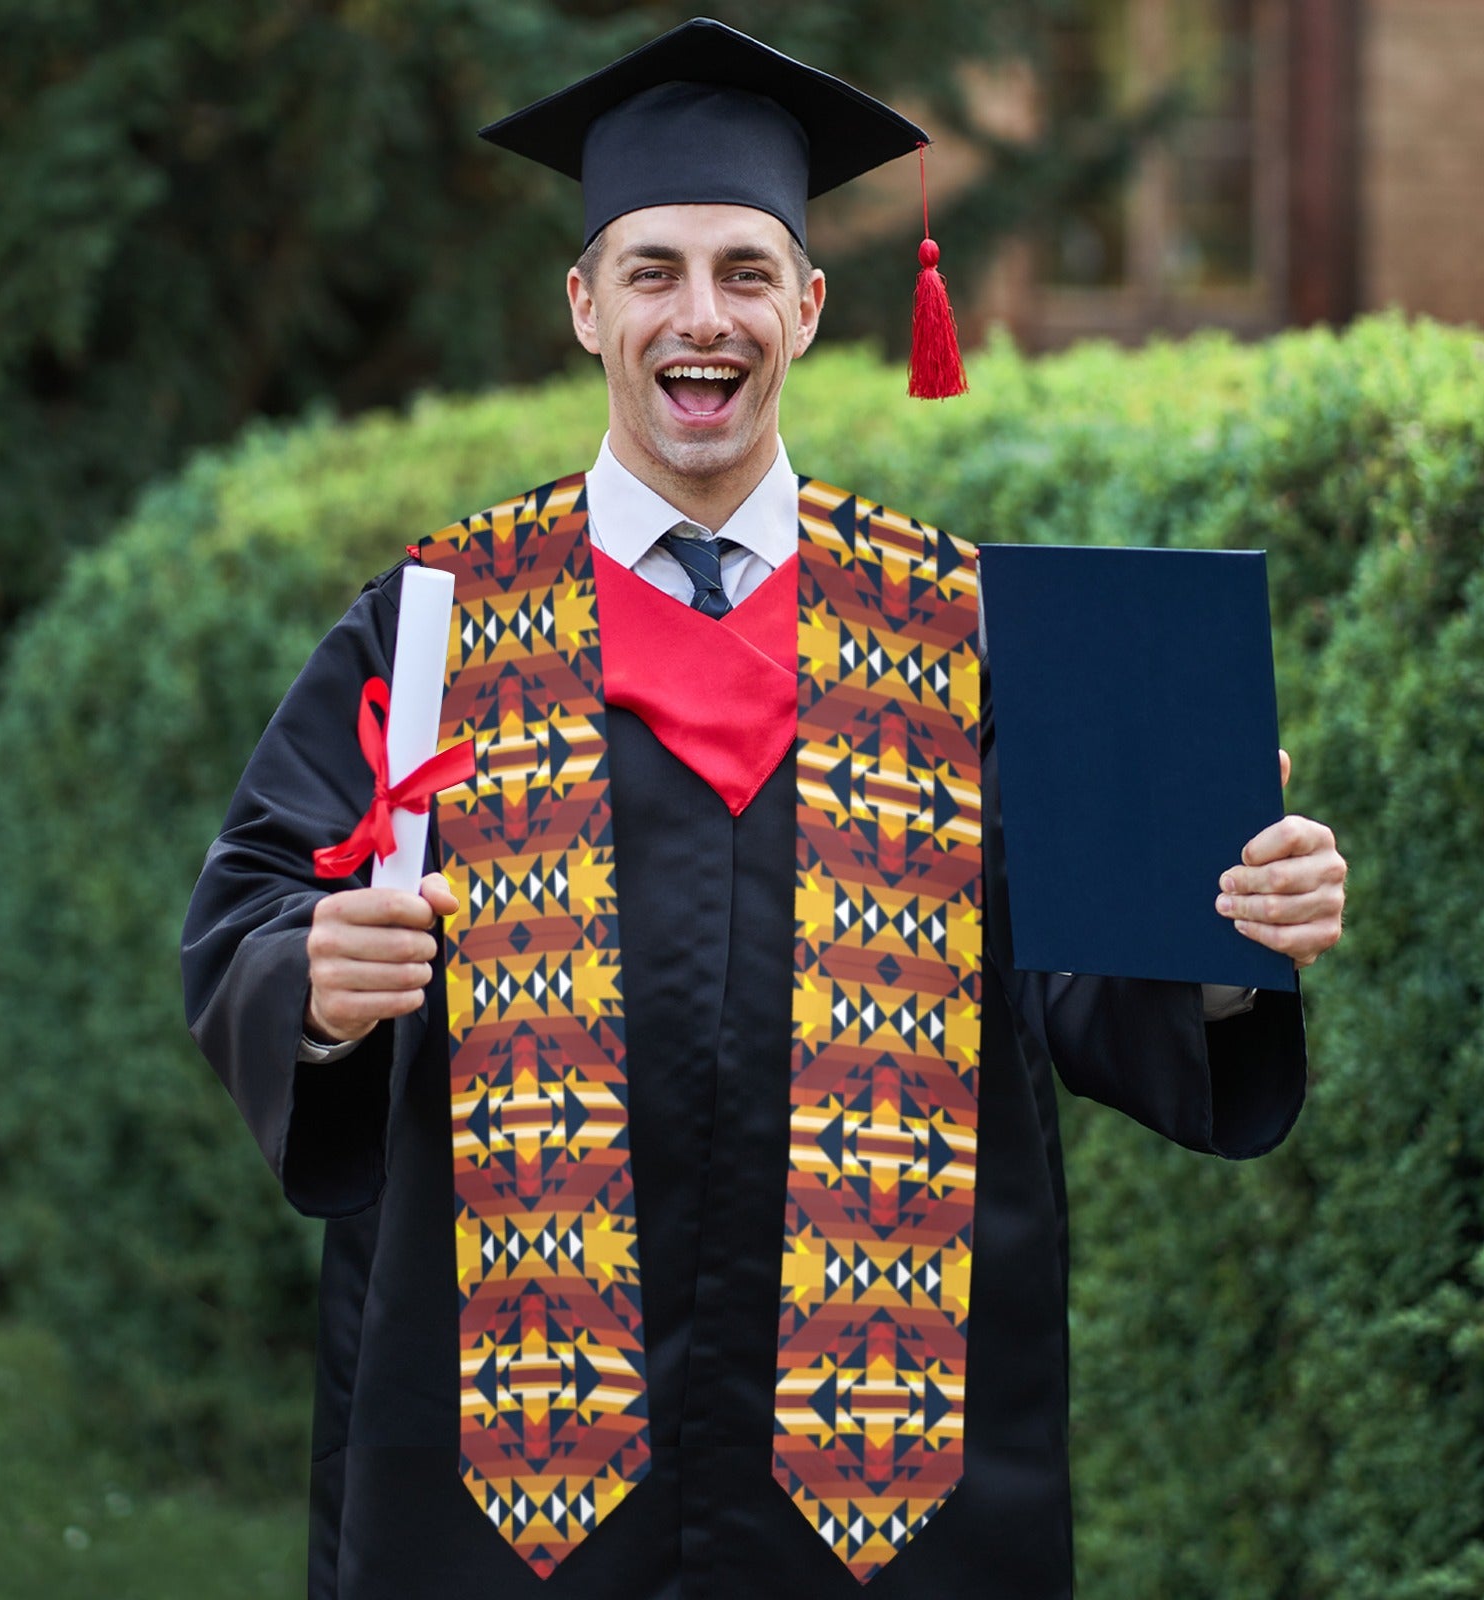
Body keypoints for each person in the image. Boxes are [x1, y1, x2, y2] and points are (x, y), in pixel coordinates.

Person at [181, 19, 1346, 1600]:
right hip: (512, 1464)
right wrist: (311, 984)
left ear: (809, 305)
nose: (700, 316)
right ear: (586, 305)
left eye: (744, 270)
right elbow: (255, 901)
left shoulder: (960, 632)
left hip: (888, 1462)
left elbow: (1083, 977)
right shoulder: (440, 624)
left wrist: (1224, 935)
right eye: (653, 270)